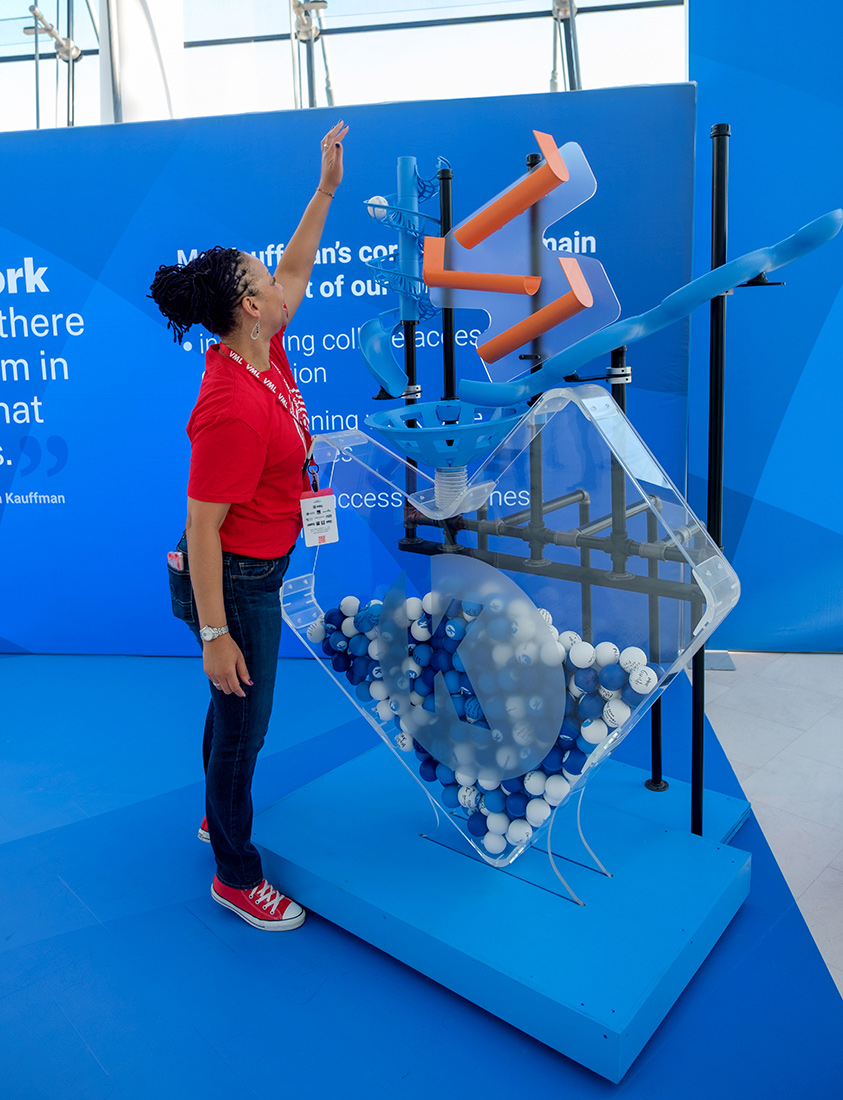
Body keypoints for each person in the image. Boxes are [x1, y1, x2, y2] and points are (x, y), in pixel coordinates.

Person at [150, 120, 348, 931]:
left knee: (229, 713)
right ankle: (235, 873)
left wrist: (326, 187)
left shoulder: (262, 348)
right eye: (265, 275)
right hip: (232, 579)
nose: (280, 278)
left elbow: (300, 261)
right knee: (245, 726)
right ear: (247, 305)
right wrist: (214, 634)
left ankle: (212, 814)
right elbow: (202, 531)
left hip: (253, 567)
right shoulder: (228, 405)